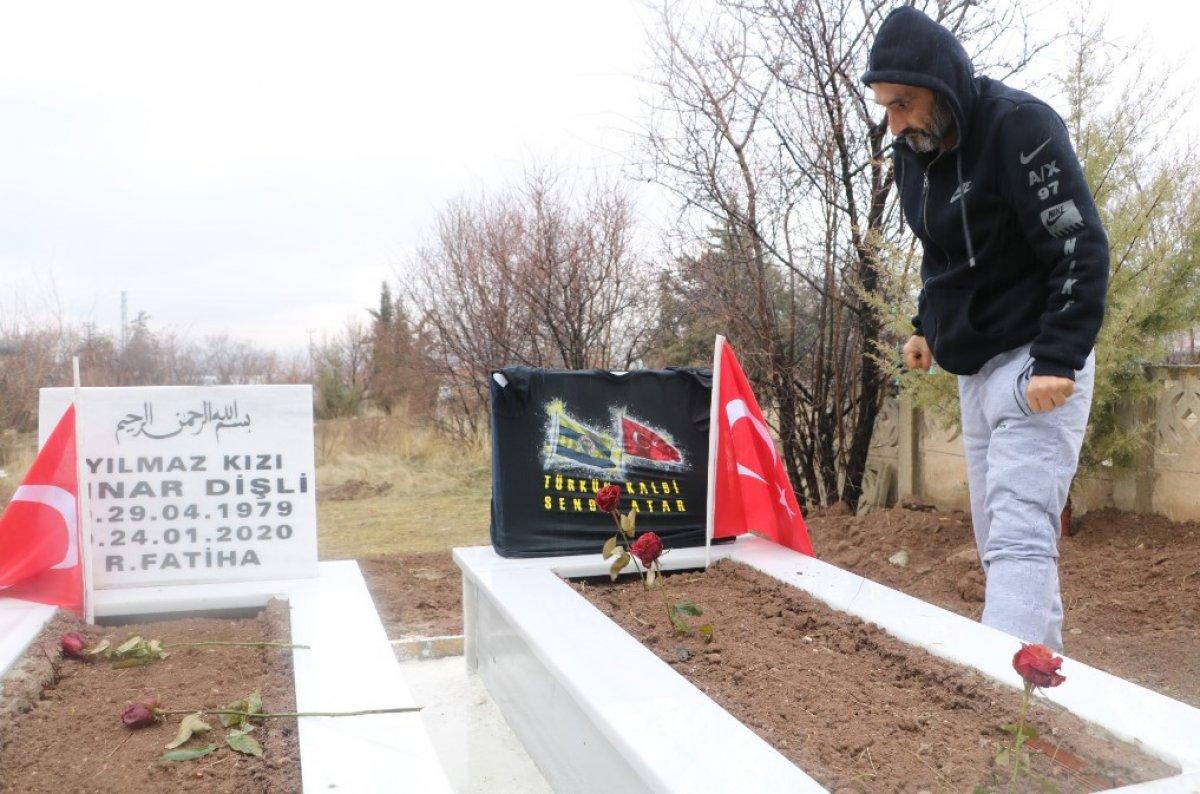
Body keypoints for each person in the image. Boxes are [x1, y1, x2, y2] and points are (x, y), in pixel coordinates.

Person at [862, 7, 1108, 650]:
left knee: (1021, 534)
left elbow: (1078, 246)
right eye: (887, 107)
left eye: (904, 103)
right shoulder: (915, 153)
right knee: (995, 540)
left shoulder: (1019, 128)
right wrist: (925, 325)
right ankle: (1042, 703)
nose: (895, 122)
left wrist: (1059, 357)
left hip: (1036, 362)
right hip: (974, 372)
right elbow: (941, 254)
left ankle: (1005, 712)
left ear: (941, 87)